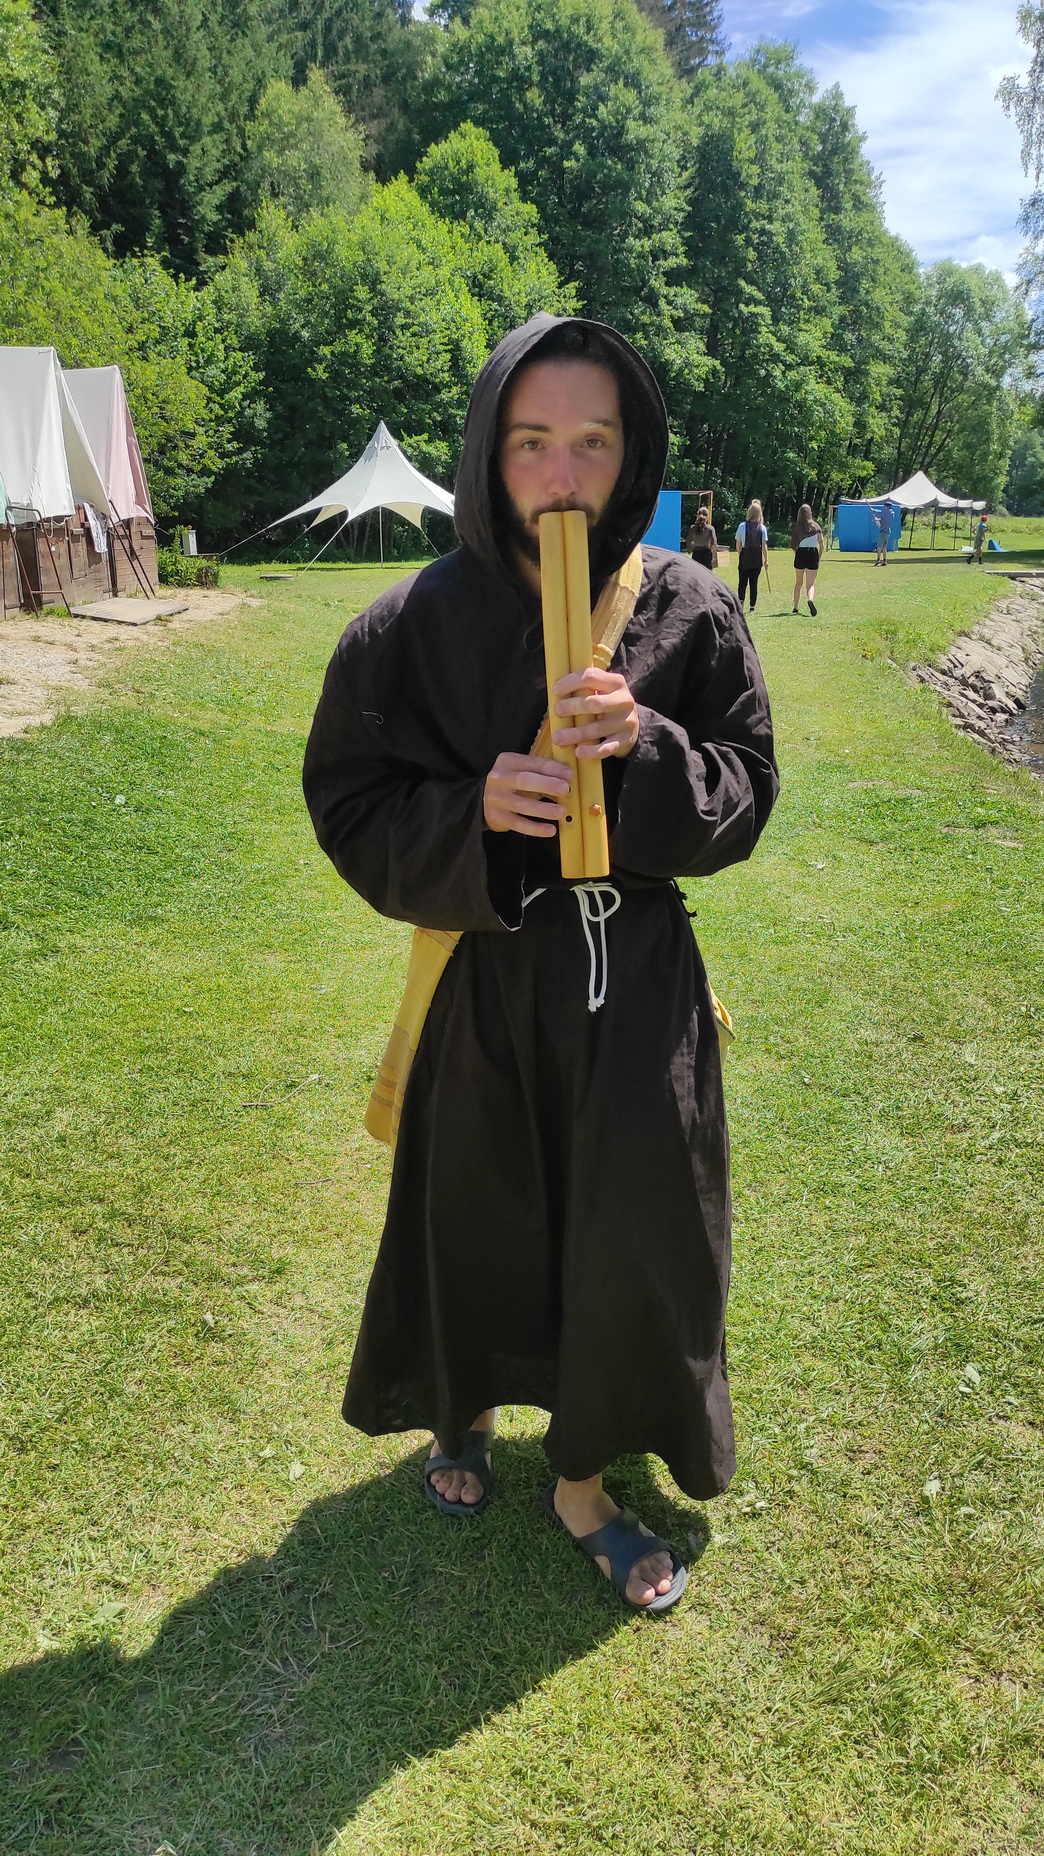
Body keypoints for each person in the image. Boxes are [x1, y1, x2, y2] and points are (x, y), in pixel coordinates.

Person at [303, 314, 778, 1613]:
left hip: (637, 987)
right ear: (487, 450)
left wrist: (647, 750)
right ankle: (460, 1409)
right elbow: (349, 798)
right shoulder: (413, 622)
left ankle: (581, 1480)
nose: (562, 476)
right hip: (487, 977)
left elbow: (745, 790)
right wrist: (476, 814)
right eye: (530, 443)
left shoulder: (689, 607)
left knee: (633, 1229)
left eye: (592, 442)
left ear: (633, 454)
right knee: (475, 1210)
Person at [790, 503, 824, 615]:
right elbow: (822, 544)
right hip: (813, 553)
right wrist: (818, 558)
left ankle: (795, 607)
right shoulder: (816, 527)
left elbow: (793, 546)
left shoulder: (797, 528)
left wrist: (798, 553)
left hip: (801, 553)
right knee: (810, 584)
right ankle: (810, 599)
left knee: (798, 583)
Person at [735, 500, 768, 611]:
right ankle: (752, 606)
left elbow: (738, 544)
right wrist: (766, 560)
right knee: (754, 583)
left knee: (742, 583)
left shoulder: (742, 526)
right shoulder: (762, 528)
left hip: (745, 556)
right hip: (757, 557)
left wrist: (740, 553)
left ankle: (741, 603)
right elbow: (764, 546)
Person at [686, 505, 717, 569]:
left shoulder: (693, 528)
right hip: (707, 554)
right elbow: (714, 543)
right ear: (707, 517)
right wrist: (714, 554)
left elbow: (689, 540)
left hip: (696, 554)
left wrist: (689, 550)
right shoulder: (710, 529)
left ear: (697, 515)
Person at [872, 500, 896, 565]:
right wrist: (877, 519)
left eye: (885, 506)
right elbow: (884, 518)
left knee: (879, 546)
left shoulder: (885, 512)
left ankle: (878, 561)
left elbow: (879, 513)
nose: (884, 507)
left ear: (887, 507)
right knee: (884, 547)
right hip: (888, 531)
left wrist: (873, 510)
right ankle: (885, 561)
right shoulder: (892, 513)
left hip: (883, 531)